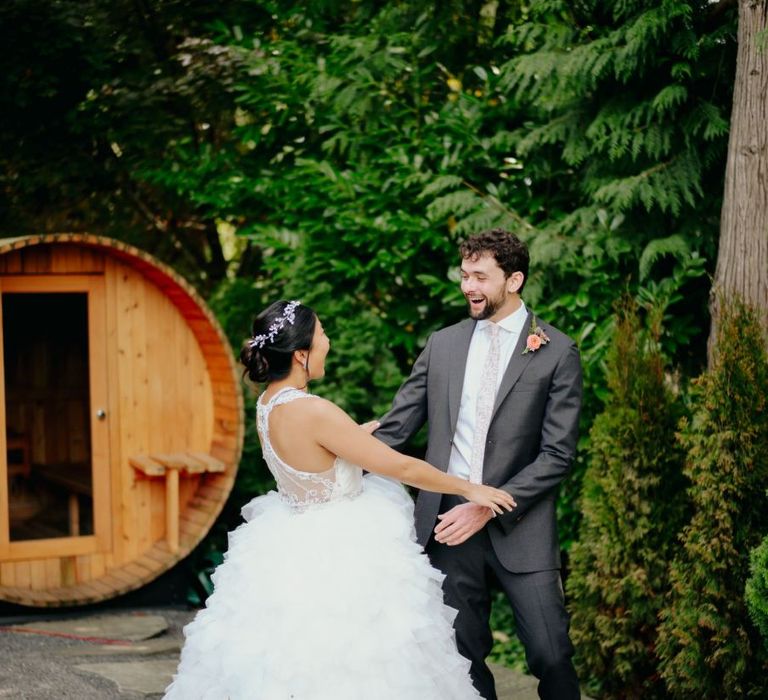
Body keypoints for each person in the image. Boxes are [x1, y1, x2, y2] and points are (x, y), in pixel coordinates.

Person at [163, 299, 516, 700]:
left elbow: (309, 461)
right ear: (301, 354)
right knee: (363, 657)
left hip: (291, 537)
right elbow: (401, 468)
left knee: (292, 655)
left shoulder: (267, 404)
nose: (328, 341)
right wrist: (469, 488)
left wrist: (349, 440)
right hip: (343, 547)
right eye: (322, 334)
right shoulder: (314, 411)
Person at [374, 229, 582, 700]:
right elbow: (396, 429)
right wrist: (334, 464)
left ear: (514, 280)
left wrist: (487, 506)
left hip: (522, 524)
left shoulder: (557, 351)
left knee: (552, 653)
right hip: (447, 523)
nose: (468, 286)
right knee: (462, 661)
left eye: (480, 277)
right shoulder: (442, 344)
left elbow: (558, 454)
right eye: (464, 274)